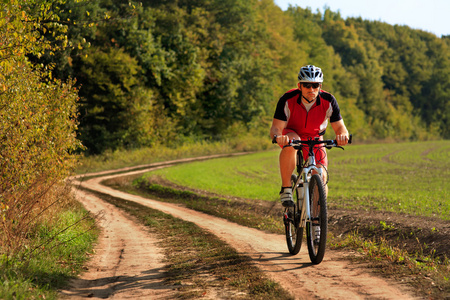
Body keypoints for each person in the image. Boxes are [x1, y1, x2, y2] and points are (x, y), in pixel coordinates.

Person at [270, 65, 349, 207]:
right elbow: (276, 127)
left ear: (320, 86)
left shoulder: (328, 100)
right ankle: (286, 188)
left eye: (315, 85)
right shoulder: (287, 99)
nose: (311, 89)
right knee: (293, 141)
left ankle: (317, 222)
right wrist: (278, 136)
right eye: (307, 85)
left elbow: (340, 127)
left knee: (321, 176)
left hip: (315, 138)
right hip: (291, 133)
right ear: (299, 86)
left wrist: (343, 135)